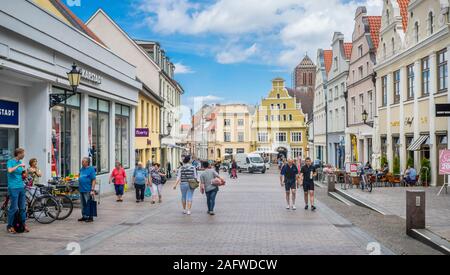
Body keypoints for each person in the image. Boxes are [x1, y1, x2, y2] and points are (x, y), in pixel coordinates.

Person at [6, 148, 29, 234]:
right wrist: (18, 166)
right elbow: (10, 170)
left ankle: (22, 224)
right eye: (23, 153)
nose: (24, 155)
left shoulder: (20, 163)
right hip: (13, 187)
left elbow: (23, 176)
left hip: (21, 187)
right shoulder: (10, 162)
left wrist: (26, 173)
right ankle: (10, 226)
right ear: (18, 153)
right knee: (14, 208)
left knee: (22, 208)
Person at [78, 157, 97, 223]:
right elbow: (80, 177)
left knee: (88, 203)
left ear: (87, 162)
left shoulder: (91, 169)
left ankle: (90, 217)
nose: (82, 163)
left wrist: (92, 189)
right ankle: (84, 216)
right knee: (83, 204)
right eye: (82, 161)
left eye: (83, 161)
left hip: (88, 189)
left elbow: (94, 180)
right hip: (81, 189)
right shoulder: (81, 169)